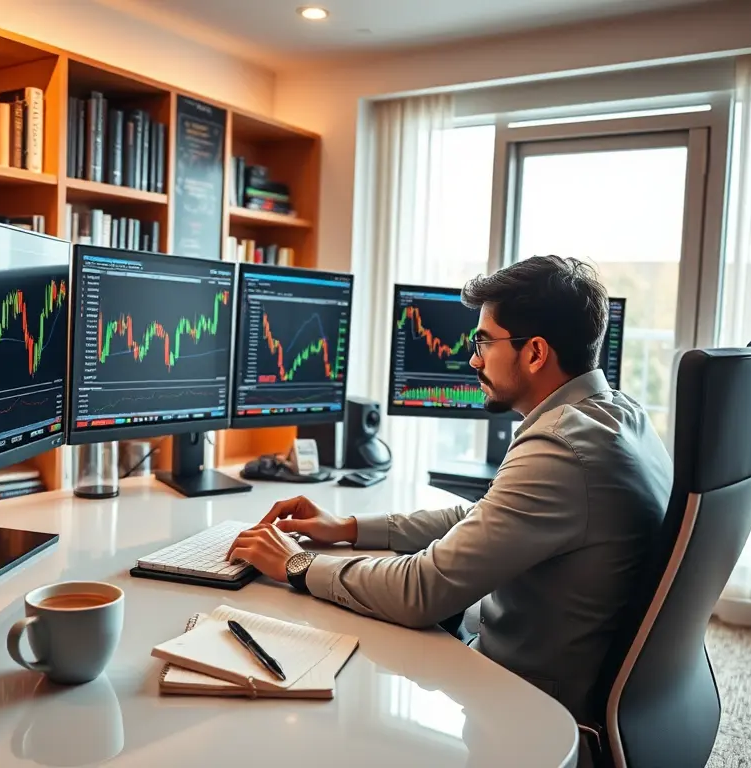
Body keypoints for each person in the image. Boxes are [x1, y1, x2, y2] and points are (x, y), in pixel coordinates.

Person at [227, 255, 673, 724]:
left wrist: (297, 563)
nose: (473, 359)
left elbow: (421, 591)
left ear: (536, 353)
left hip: (532, 706)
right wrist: (349, 527)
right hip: (579, 667)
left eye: (484, 342)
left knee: (336, 671)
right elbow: (482, 515)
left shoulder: (559, 449)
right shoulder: (618, 414)